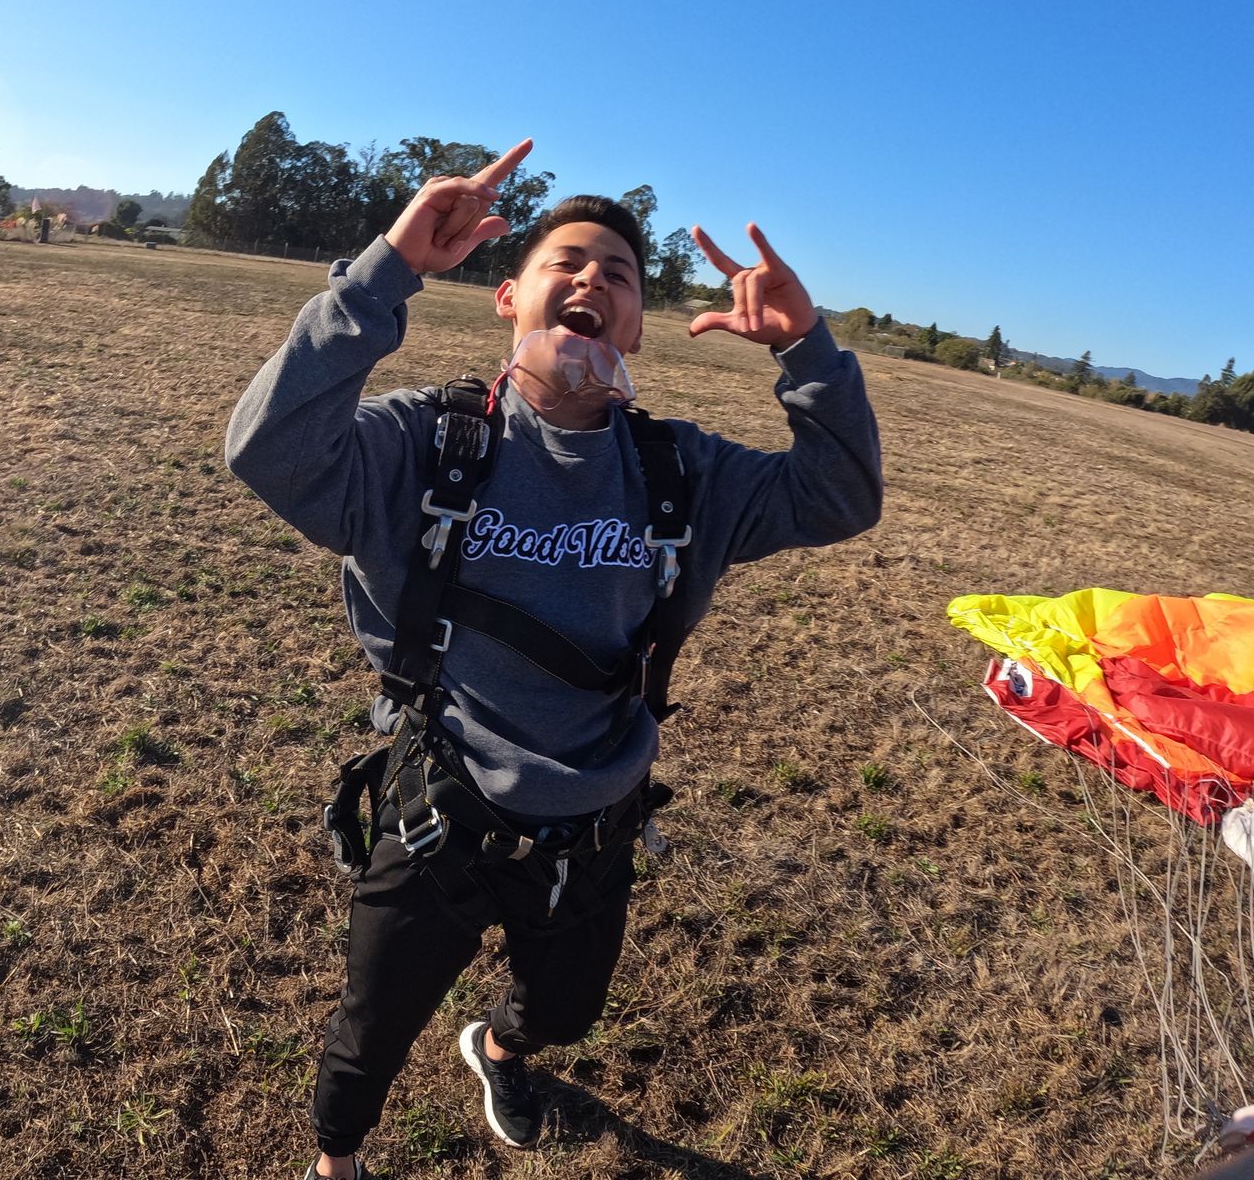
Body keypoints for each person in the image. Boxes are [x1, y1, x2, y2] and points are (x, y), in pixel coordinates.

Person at [225, 139, 883, 1178]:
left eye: (618, 275)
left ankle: (499, 1048)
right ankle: (335, 1159)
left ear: (635, 326)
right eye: (565, 263)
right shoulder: (424, 446)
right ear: (506, 297)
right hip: (442, 805)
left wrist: (807, 353)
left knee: (567, 1009)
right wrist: (386, 269)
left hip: (595, 820)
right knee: (373, 1023)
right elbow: (271, 450)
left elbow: (840, 500)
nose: (593, 280)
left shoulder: (683, 474)